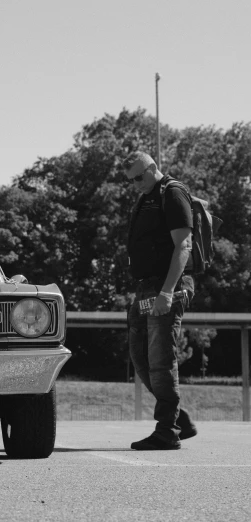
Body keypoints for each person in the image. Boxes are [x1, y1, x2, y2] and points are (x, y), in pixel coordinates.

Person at [124, 151, 198, 450]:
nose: (135, 184)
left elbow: (184, 244)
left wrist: (167, 292)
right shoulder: (146, 197)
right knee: (140, 355)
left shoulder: (173, 192)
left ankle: (167, 430)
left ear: (154, 168)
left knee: (160, 358)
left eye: (139, 177)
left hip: (167, 287)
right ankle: (181, 419)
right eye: (131, 180)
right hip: (146, 289)